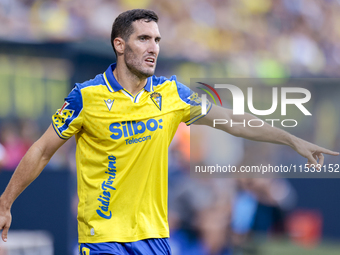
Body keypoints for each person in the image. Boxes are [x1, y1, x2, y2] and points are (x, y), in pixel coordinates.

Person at [0, 9, 338, 255]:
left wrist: (291, 139)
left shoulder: (173, 94)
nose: (153, 48)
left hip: (155, 239)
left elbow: (234, 120)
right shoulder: (85, 97)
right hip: (103, 238)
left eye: (157, 40)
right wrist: (6, 202)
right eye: (144, 38)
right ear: (120, 45)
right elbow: (42, 150)